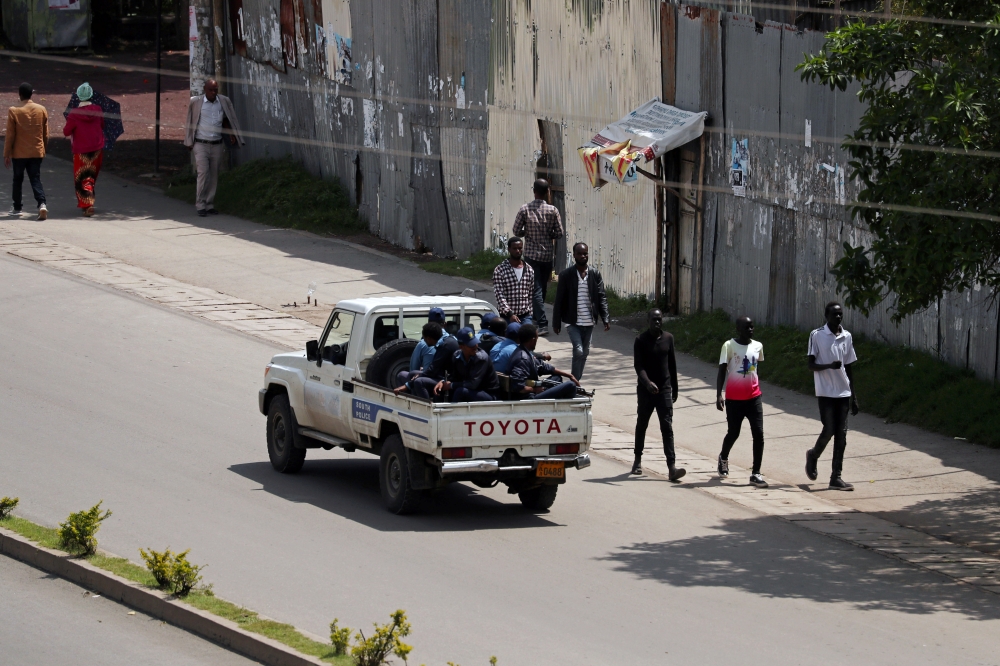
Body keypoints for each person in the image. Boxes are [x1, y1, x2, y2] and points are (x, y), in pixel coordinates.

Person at [805, 302, 859, 491]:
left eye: (840, 314)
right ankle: (813, 455)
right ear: (826, 315)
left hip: (843, 392)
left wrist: (854, 396)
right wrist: (829, 366)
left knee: (842, 435)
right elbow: (811, 365)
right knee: (829, 429)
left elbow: (849, 366)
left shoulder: (847, 336)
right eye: (834, 314)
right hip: (826, 392)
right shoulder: (817, 335)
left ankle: (836, 477)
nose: (838, 317)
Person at [632, 309, 686, 481]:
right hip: (646, 391)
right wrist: (647, 383)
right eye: (654, 320)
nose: (657, 322)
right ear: (648, 321)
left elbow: (672, 365)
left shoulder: (668, 338)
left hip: (664, 390)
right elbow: (638, 366)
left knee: (667, 427)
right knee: (642, 424)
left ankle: (672, 467)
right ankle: (637, 460)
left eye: (659, 319)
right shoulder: (640, 340)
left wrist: (675, 389)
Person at [716, 316, 768, 488]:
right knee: (733, 433)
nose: (750, 330)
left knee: (759, 434)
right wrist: (718, 395)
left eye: (752, 327)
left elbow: (757, 369)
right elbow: (722, 370)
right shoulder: (729, 346)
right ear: (738, 329)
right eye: (746, 327)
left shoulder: (758, 346)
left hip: (754, 398)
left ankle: (756, 473)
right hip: (734, 399)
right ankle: (723, 457)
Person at [183, 79, 245, 217]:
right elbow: (189, 122)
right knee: (203, 173)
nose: (213, 92)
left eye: (215, 89)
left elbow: (227, 118)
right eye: (210, 89)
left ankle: (209, 204)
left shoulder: (223, 101)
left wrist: (230, 133)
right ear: (205, 89)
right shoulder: (196, 102)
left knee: (214, 174)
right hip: (200, 143)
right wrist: (188, 141)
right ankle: (200, 204)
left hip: (217, 143)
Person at [512, 178, 564, 336]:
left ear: (534, 191)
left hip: (531, 255)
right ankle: (536, 318)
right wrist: (549, 235)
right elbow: (559, 232)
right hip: (547, 255)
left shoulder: (525, 209)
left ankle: (542, 323)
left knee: (535, 289)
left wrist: (526, 233)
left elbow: (516, 230)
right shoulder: (553, 210)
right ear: (547, 191)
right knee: (542, 287)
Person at [552, 242, 610, 380]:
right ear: (574, 255)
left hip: (589, 322)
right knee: (578, 351)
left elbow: (602, 297)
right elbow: (559, 300)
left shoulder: (594, 274)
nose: (583, 256)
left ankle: (576, 380)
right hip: (573, 322)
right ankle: (574, 381)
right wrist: (556, 323)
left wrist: (605, 318)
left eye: (585, 253)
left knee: (585, 352)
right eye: (580, 253)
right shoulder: (566, 275)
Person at [4, 82, 48, 220]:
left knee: (17, 179)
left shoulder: (14, 110)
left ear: (20, 94)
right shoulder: (41, 109)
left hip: (19, 152)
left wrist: (6, 153)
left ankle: (17, 207)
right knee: (35, 178)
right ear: (31, 94)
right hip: (36, 150)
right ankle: (41, 203)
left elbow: (10, 134)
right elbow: (46, 133)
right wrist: (43, 148)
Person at [62, 83, 105, 218]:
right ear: (91, 95)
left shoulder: (74, 114)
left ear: (78, 96)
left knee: (82, 177)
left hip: (81, 150)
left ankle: (87, 205)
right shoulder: (98, 110)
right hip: (97, 148)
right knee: (91, 176)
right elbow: (102, 125)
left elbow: (66, 131)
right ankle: (89, 201)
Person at [508, 324, 579, 400]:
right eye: (536, 339)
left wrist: (569, 375)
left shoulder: (524, 352)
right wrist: (534, 390)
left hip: (533, 390)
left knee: (557, 378)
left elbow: (545, 367)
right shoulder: (523, 359)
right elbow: (518, 387)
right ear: (533, 340)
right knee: (570, 385)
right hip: (529, 397)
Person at [432, 327, 500, 402]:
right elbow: (454, 377)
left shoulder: (481, 359)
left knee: (460, 392)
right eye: (471, 345)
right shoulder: (456, 356)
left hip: (487, 394)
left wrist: (451, 385)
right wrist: (443, 382)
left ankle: (454, 413)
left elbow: (473, 384)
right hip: (471, 390)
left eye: (475, 343)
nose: (475, 346)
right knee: (440, 389)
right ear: (461, 346)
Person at [395, 326, 460, 400]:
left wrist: (408, 385)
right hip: (442, 375)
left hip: (449, 379)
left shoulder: (445, 346)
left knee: (419, 381)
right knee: (413, 373)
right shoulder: (446, 340)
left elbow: (432, 370)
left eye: (424, 339)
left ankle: (426, 406)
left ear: (429, 338)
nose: (424, 341)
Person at [493, 237, 534, 325]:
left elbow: (530, 294)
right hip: (507, 316)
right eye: (514, 248)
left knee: (530, 335)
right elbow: (499, 296)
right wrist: (510, 314)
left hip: (525, 316)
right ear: (509, 249)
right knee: (512, 333)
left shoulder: (529, 270)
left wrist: (530, 313)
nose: (517, 251)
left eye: (520, 248)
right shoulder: (500, 270)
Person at [397, 321, 446, 387]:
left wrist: (421, 372)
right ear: (445, 324)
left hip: (432, 378)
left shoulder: (423, 344)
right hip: (441, 378)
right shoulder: (448, 341)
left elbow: (413, 368)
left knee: (407, 375)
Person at [406, 308, 447, 375]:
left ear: (428, 323)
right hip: (446, 381)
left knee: (402, 374)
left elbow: (413, 369)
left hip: (426, 380)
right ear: (445, 324)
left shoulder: (424, 343)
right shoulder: (452, 341)